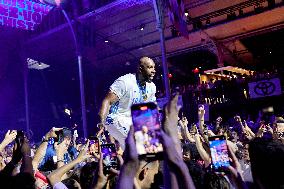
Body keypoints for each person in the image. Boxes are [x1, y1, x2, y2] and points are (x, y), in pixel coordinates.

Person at [99, 57, 157, 149]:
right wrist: (101, 122)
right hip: (115, 118)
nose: (154, 71)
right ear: (140, 69)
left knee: (147, 145)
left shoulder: (151, 87)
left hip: (131, 121)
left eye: (154, 68)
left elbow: (151, 107)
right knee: (137, 143)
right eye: (150, 67)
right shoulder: (125, 82)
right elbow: (107, 101)